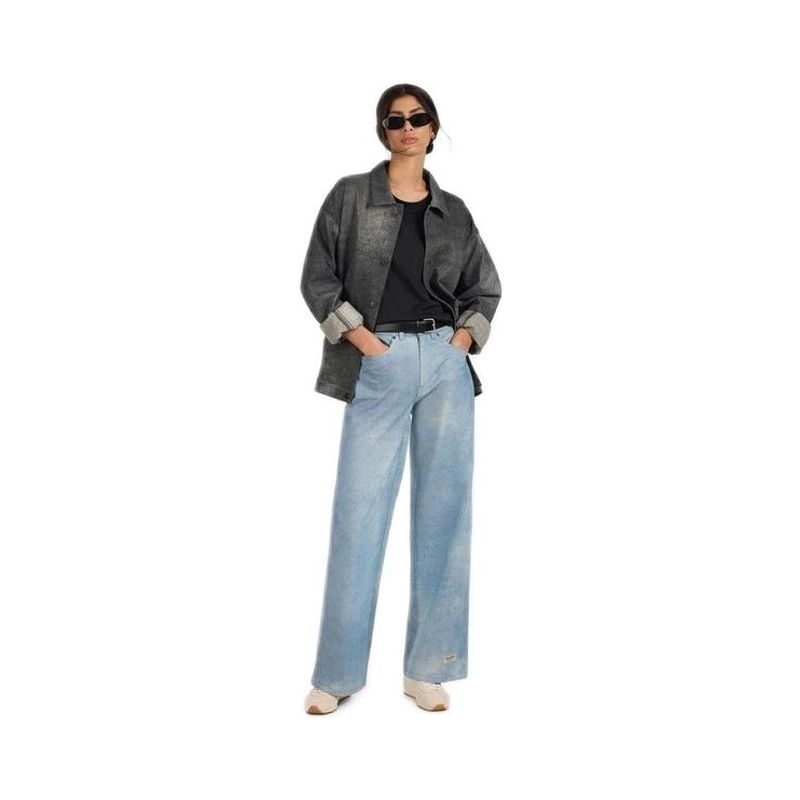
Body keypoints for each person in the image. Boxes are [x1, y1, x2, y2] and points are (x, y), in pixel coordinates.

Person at [300, 84, 501, 713]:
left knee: (446, 516)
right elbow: (318, 278)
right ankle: (336, 675)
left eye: (418, 118)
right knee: (357, 517)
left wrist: (460, 342)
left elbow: (485, 287)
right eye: (395, 119)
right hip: (378, 362)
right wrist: (363, 341)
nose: (407, 127)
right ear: (383, 130)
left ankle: (428, 667)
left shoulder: (454, 212)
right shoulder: (350, 197)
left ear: (434, 128)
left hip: (444, 362)